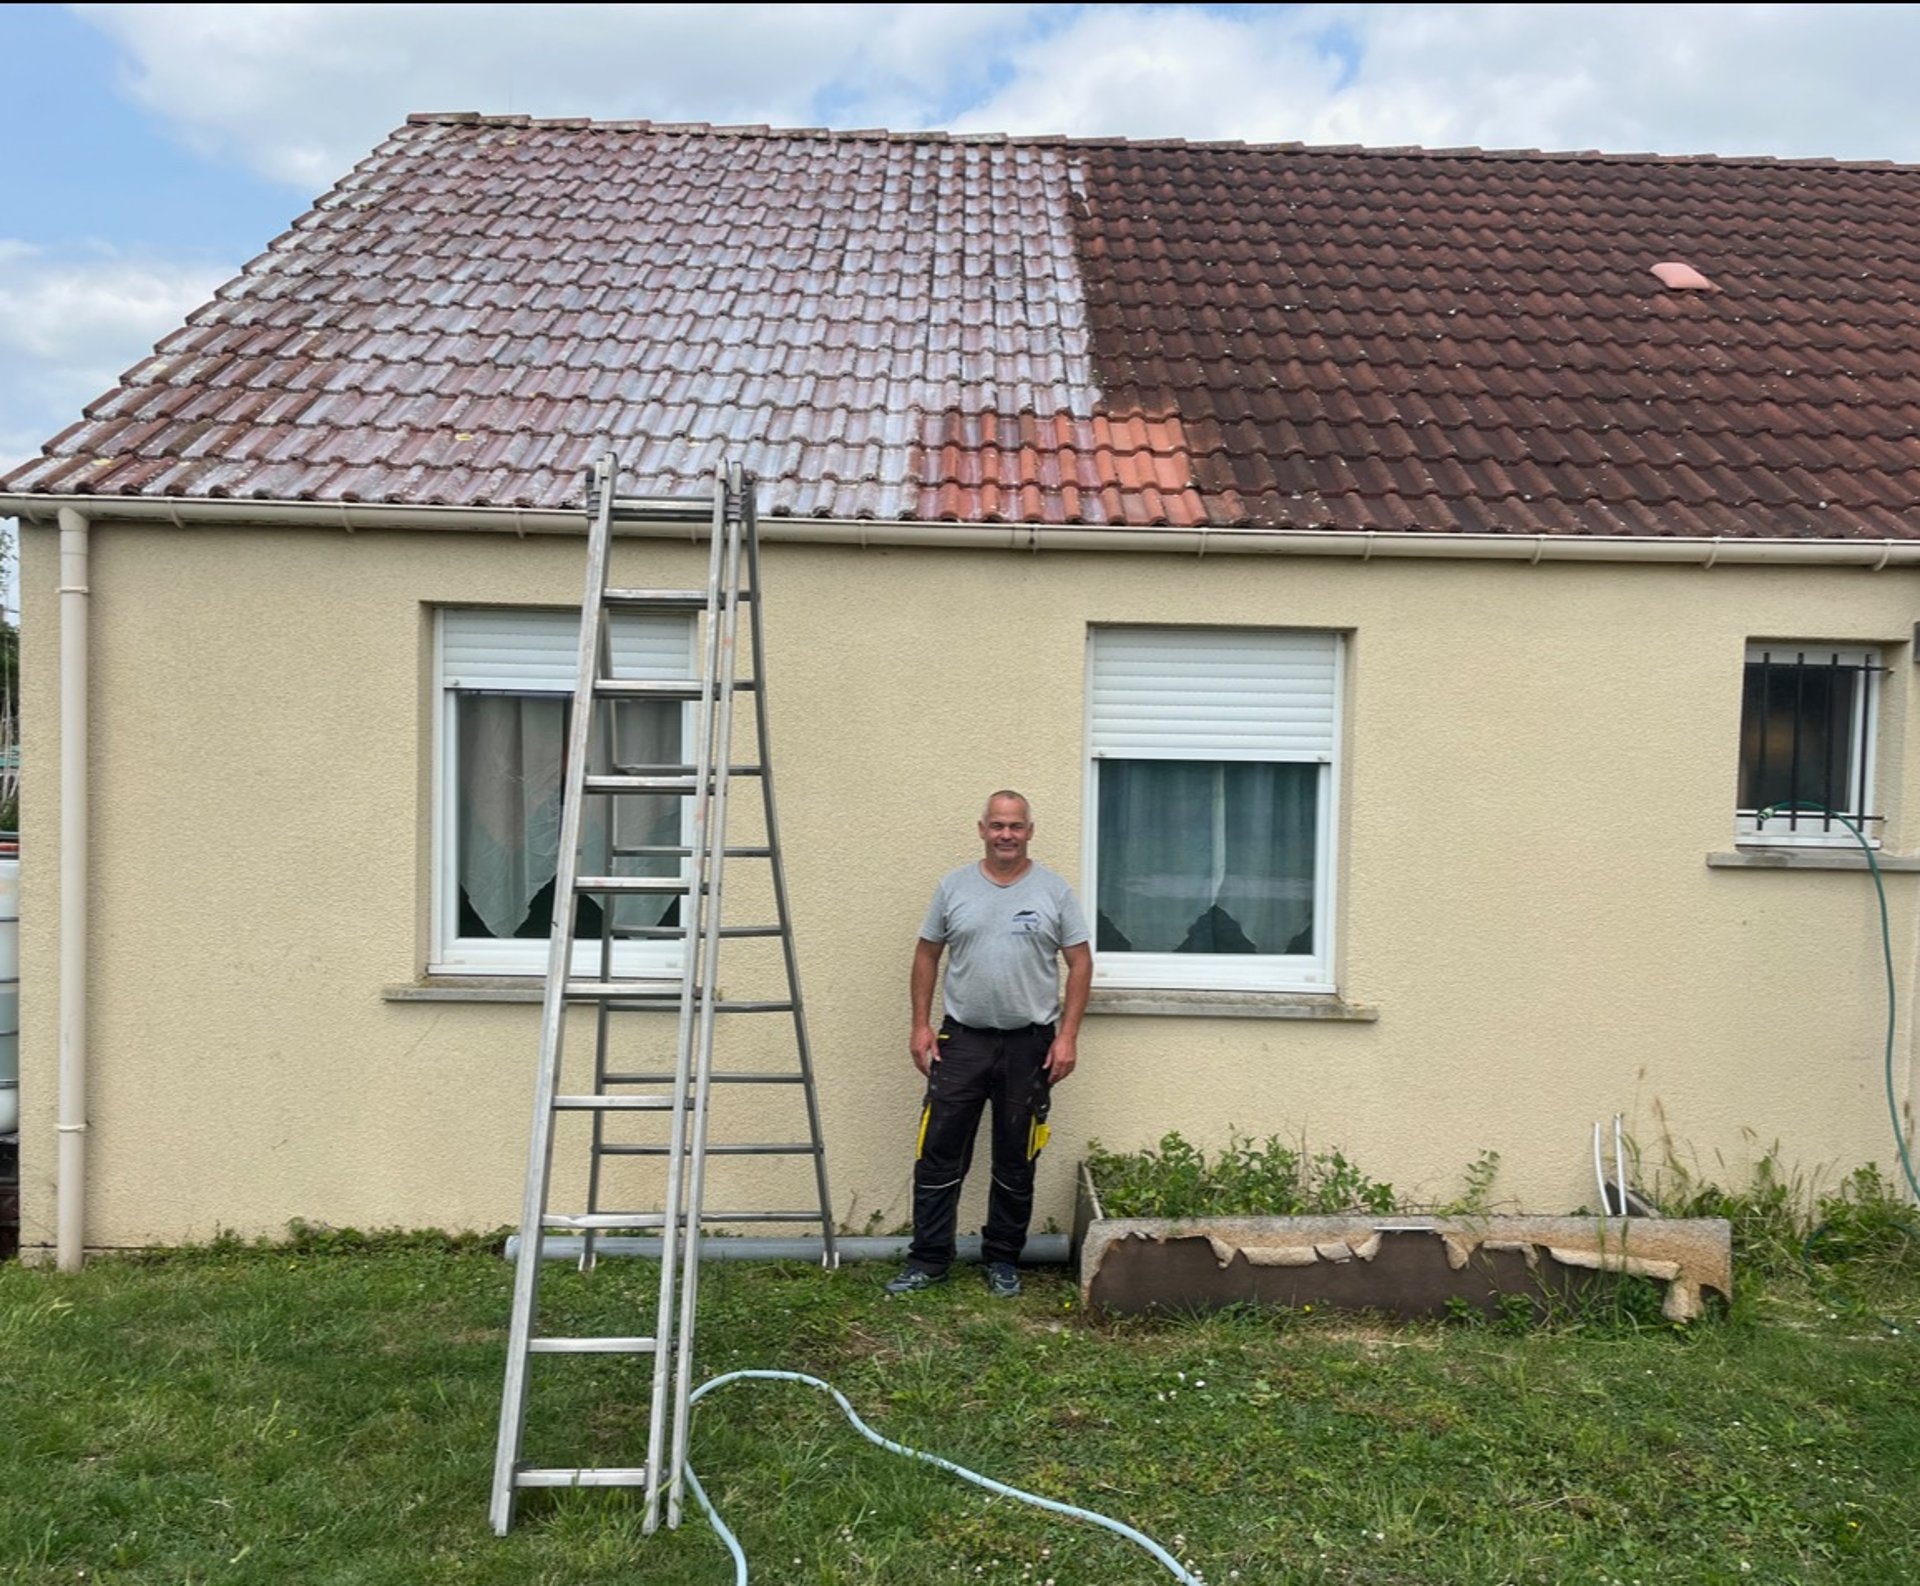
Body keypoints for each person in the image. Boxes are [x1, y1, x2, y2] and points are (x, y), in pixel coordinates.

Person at [886, 790, 1092, 1298]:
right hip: (962, 1042)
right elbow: (926, 954)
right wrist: (920, 1025)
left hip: (1030, 1046)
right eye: (997, 825)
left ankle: (1002, 1259)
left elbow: (1081, 963)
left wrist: (1067, 1037)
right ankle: (929, 1259)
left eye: (1016, 826)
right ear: (981, 828)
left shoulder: (1054, 892)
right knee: (937, 1154)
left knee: (1015, 1158)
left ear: (1030, 831)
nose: (1006, 835)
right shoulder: (953, 887)